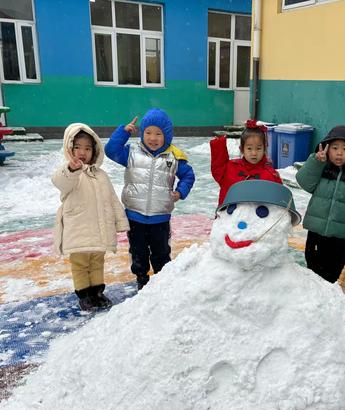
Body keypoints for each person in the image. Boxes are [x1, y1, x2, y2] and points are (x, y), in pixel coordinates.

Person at [105, 108, 195, 290]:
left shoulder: (174, 156)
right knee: (138, 251)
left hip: (160, 217)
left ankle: (162, 280)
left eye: (158, 134)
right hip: (135, 216)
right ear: (142, 133)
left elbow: (188, 176)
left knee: (161, 252)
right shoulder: (131, 152)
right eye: (148, 132)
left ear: (166, 136)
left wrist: (180, 192)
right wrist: (124, 132)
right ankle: (141, 278)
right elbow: (111, 151)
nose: (153, 138)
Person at [52, 123, 129, 311]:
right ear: (69, 149)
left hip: (99, 232)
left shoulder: (101, 175)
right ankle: (84, 294)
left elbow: (112, 199)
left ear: (94, 152)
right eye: (77, 147)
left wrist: (121, 222)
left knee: (96, 262)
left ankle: (97, 292)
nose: (82, 152)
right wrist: (71, 169)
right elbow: (59, 181)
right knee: (79, 264)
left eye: (87, 148)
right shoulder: (69, 174)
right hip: (78, 231)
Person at [295, 125, 345, 283]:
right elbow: (304, 182)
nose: (339, 153)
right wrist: (316, 162)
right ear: (327, 149)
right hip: (316, 233)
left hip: (342, 239)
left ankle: (337, 302)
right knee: (314, 271)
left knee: (337, 275)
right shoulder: (322, 170)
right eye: (335, 148)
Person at [210, 119, 282, 206]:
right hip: (230, 217)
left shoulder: (271, 175)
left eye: (258, 148)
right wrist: (219, 145)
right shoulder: (230, 169)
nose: (254, 153)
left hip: (259, 218)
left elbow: (280, 201)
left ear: (264, 149)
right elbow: (218, 167)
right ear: (242, 149)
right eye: (249, 148)